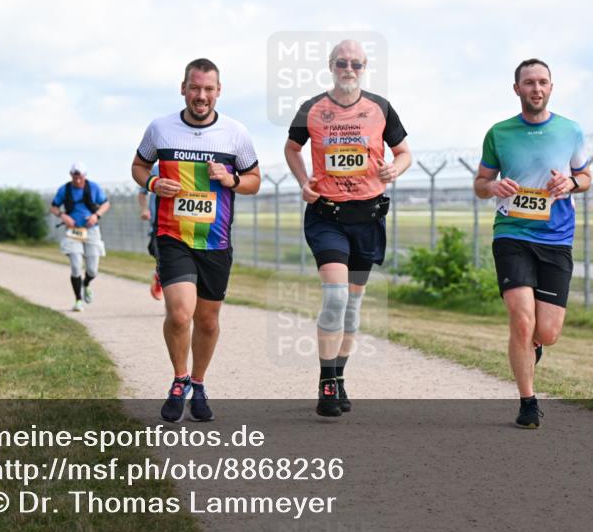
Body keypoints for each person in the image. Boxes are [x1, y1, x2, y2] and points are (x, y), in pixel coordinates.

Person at [284, 39, 412, 417]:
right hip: (327, 217)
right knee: (336, 297)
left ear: (364, 66)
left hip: (368, 219)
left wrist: (395, 168)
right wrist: (303, 181)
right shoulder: (311, 108)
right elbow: (292, 148)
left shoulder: (381, 108)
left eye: (356, 63)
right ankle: (326, 382)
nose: (349, 69)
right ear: (330, 65)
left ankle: (339, 375)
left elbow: (404, 152)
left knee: (353, 306)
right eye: (342, 63)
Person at [132, 58, 260, 423]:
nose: (201, 95)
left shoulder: (235, 134)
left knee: (206, 321)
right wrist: (154, 183)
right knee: (179, 313)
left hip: (216, 241)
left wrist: (232, 180)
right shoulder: (160, 129)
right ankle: (178, 380)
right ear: (183, 88)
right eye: (195, 87)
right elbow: (139, 166)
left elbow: (254, 180)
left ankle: (198, 385)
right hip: (173, 235)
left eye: (208, 89)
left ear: (218, 91)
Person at [474, 59, 592, 429]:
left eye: (542, 82)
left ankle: (533, 346)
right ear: (517, 89)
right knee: (521, 319)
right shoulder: (499, 133)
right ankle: (528, 401)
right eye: (529, 83)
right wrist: (492, 186)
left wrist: (571, 184)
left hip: (557, 238)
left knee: (547, 333)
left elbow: (585, 176)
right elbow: (480, 184)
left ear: (551, 88)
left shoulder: (570, 131)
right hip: (512, 234)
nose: (536, 89)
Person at [50, 163, 110, 312]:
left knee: (92, 270)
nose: (77, 180)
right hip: (73, 231)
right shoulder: (65, 190)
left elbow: (106, 204)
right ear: (71, 176)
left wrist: (96, 216)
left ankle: (86, 284)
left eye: (80, 177)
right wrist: (63, 216)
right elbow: (53, 207)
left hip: (91, 231)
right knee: (76, 266)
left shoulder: (94, 188)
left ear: (85, 176)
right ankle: (78, 299)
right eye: (75, 177)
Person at [136, 163, 163, 300]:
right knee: (160, 254)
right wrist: (145, 209)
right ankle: (159, 275)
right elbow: (142, 193)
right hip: (159, 223)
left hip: (186, 222)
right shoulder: (156, 169)